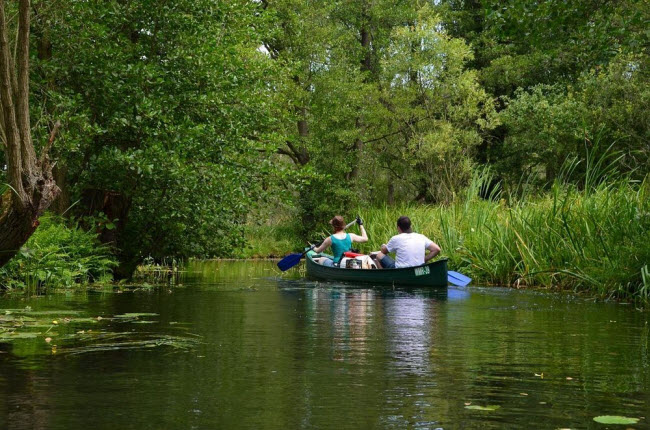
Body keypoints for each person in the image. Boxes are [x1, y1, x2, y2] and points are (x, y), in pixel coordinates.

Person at [375, 216, 440, 269]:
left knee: (378, 256)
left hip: (401, 271)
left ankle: (385, 276)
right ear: (410, 226)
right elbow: (436, 249)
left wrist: (383, 246)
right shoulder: (421, 237)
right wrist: (424, 260)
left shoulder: (396, 238)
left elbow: (383, 251)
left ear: (398, 228)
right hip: (419, 270)